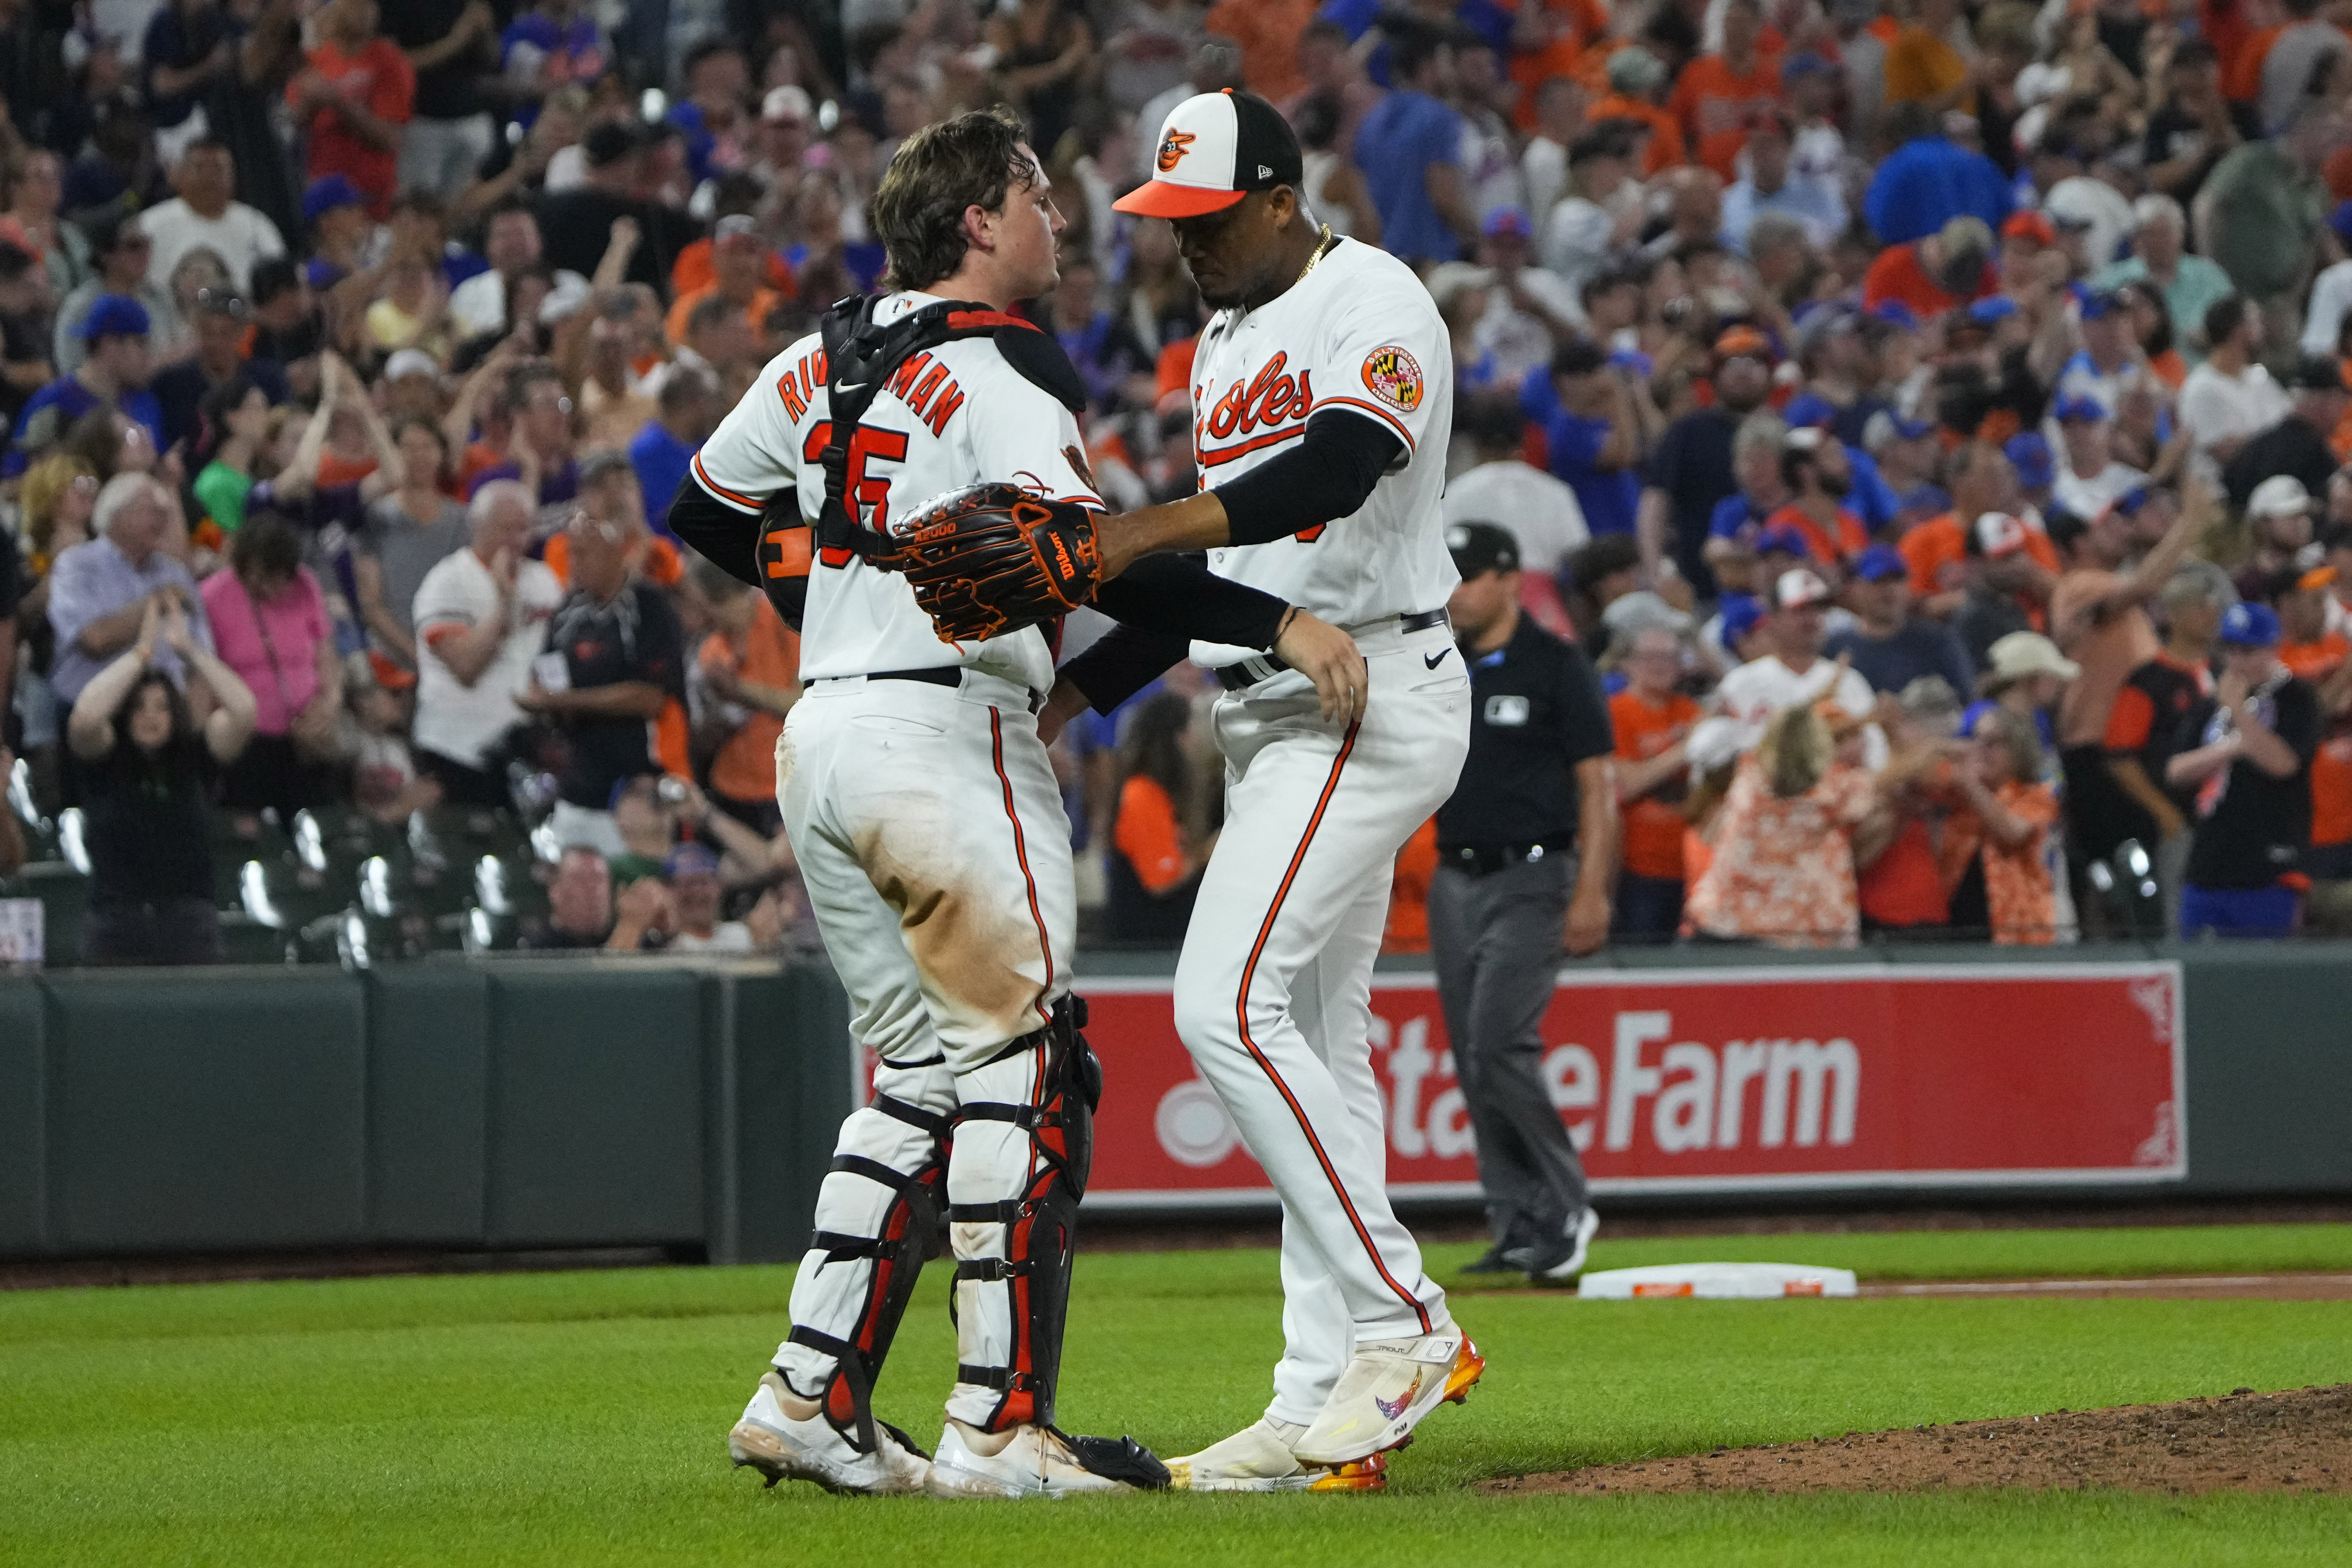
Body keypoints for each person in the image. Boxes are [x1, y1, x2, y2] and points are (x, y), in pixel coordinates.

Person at [669, 106, 1353, 1498]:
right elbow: (1088, 557)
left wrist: (836, 583)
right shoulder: (999, 366)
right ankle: (1000, 1423)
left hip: (826, 729)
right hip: (942, 731)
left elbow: (707, 508)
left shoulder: (820, 350)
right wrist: (1273, 626)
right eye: (1034, 192)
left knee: (920, 1075)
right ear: (976, 220)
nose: (1061, 214)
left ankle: (809, 1394)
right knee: (1029, 1069)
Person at [1070, 87, 1486, 1488]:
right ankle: (1322, 1401)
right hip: (1273, 702)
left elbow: (1338, 466)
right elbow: (1235, 573)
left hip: (1366, 692)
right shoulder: (1223, 337)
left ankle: (1404, 1320)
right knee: (1320, 1036)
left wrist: (1146, 528)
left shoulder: (1377, 295)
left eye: (1201, 218)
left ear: (1273, 195)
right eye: (1163, 222)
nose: (1180, 244)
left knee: (1220, 1003)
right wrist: (1082, 685)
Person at [1426, 522, 1614, 1280]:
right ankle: (1516, 1220)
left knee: (1498, 1039)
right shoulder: (1438, 661)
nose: (1455, 590)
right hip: (1453, 874)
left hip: (1533, 873)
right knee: (1475, 1057)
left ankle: (1566, 1204)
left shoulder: (1554, 663)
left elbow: (1597, 783)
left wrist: (1593, 888)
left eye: (1469, 575)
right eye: (1449, 575)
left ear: (1509, 579)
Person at [65, 594, 257, 963]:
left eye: (162, 707)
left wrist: (190, 650)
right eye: (138, 707)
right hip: (115, 922)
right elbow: (86, 717)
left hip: (188, 923)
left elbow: (244, 710)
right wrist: (141, 654)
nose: (150, 716)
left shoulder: (196, 758)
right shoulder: (106, 757)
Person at [515, 507, 684, 857]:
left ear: (616, 553)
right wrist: (543, 702)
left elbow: (650, 698)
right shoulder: (567, 614)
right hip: (577, 789)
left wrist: (562, 702)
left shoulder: (650, 607)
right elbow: (550, 681)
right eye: (570, 552)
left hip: (639, 790)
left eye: (583, 553)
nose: (573, 563)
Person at [1683, 701, 1891, 947]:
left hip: (1731, 921)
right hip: (1804, 930)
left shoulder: (1749, 776)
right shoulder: (1835, 790)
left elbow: (1786, 737)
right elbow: (1887, 779)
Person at [2168, 602, 2320, 938]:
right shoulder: (2211, 703)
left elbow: (2284, 764)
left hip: (2268, 865)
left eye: (2248, 650)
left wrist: (2238, 713)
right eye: (2230, 649)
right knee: (2198, 973)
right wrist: (2231, 747)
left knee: (2263, 977)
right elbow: (2177, 768)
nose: (2236, 660)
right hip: (2209, 861)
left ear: (2273, 648)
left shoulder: (2296, 698)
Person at [409, 478, 562, 804]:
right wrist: (505, 604)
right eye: (506, 529)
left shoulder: (544, 580)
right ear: (477, 525)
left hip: (522, 748)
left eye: (524, 529)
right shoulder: (448, 583)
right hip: (458, 746)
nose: (517, 540)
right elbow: (467, 668)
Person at [2105, 561, 2230, 929]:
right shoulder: (2150, 680)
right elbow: (2120, 757)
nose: (2212, 615)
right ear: (2174, 615)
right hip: (2183, 816)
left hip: (2229, 819)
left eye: (2214, 606)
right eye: (2200, 606)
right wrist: (2164, 813)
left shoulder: (2228, 672)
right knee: (2183, 917)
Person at [197, 511, 342, 815]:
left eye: (279, 579)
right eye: (260, 576)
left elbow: (325, 655)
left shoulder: (307, 585)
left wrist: (328, 705)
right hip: (247, 742)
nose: (269, 587)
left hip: (306, 738)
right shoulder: (212, 596)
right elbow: (204, 675)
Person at [46, 472, 211, 713]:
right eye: (150, 510)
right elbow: (95, 639)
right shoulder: (77, 565)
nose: (162, 519)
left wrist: (195, 735)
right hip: (94, 715)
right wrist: (159, 601)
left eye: (164, 511)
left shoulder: (175, 574)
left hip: (168, 717)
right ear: (115, 515)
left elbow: (201, 657)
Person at [1350, 23, 1470, 268]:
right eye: (1446, 62)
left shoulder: (1370, 121)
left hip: (1383, 261)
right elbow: (1445, 198)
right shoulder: (1439, 117)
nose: (1452, 72)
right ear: (1428, 68)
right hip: (1431, 263)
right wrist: (1481, 237)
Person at [354, 418, 468, 675]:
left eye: (428, 447)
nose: (419, 456)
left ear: (442, 454)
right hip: (390, 661)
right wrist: (418, 656)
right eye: (408, 448)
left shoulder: (463, 520)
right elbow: (371, 604)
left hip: (454, 655)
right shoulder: (375, 517)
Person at [1610, 621, 1702, 941]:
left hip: (1689, 866)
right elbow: (1627, 783)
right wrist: (1687, 749)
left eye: (1670, 657)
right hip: (1639, 868)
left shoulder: (1690, 711)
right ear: (1628, 663)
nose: (1661, 665)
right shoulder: (1616, 712)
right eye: (1651, 657)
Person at [287, 0, 416, 216]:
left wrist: (338, 102)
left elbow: (389, 139)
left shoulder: (390, 61)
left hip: (371, 191)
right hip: (323, 185)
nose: (362, 11)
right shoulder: (316, 59)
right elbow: (293, 120)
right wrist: (310, 103)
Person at [11, 295, 164, 477]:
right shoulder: (51, 403)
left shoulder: (145, 401)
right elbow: (10, 482)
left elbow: (160, 462)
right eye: (141, 344)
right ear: (109, 345)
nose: (149, 355)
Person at [1441, 398, 1588, 584]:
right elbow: (1579, 555)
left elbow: (1442, 554)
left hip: (1479, 595)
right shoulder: (1556, 491)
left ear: (1476, 445)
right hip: (1545, 603)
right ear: (1524, 441)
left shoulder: (1457, 491)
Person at [1105, 689, 1210, 942]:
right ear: (1176, 738)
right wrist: (1208, 852)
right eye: (1190, 731)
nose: (1196, 741)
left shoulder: (1161, 793)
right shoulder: (1141, 793)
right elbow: (1162, 881)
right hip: (1148, 948)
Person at [1952, 706, 2062, 943]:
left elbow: (2013, 833)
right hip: (1962, 928)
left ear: (2016, 748)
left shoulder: (2036, 797)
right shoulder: (1963, 801)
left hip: (2019, 934)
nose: (1979, 751)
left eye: (1991, 743)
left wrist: (1970, 783)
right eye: (1976, 741)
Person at [137, 138, 285, 293]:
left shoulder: (257, 226)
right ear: (179, 175)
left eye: (218, 170)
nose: (209, 178)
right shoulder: (150, 225)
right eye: (199, 168)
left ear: (233, 178)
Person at [1827, 542, 1974, 696]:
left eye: (1897, 580)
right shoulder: (1837, 647)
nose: (1889, 589)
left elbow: (1968, 697)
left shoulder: (1935, 640)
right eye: (1878, 581)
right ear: (1856, 588)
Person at [2222, 357, 2348, 513]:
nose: (2343, 409)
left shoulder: (2259, 445)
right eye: (2341, 400)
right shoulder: (2316, 456)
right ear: (2324, 402)